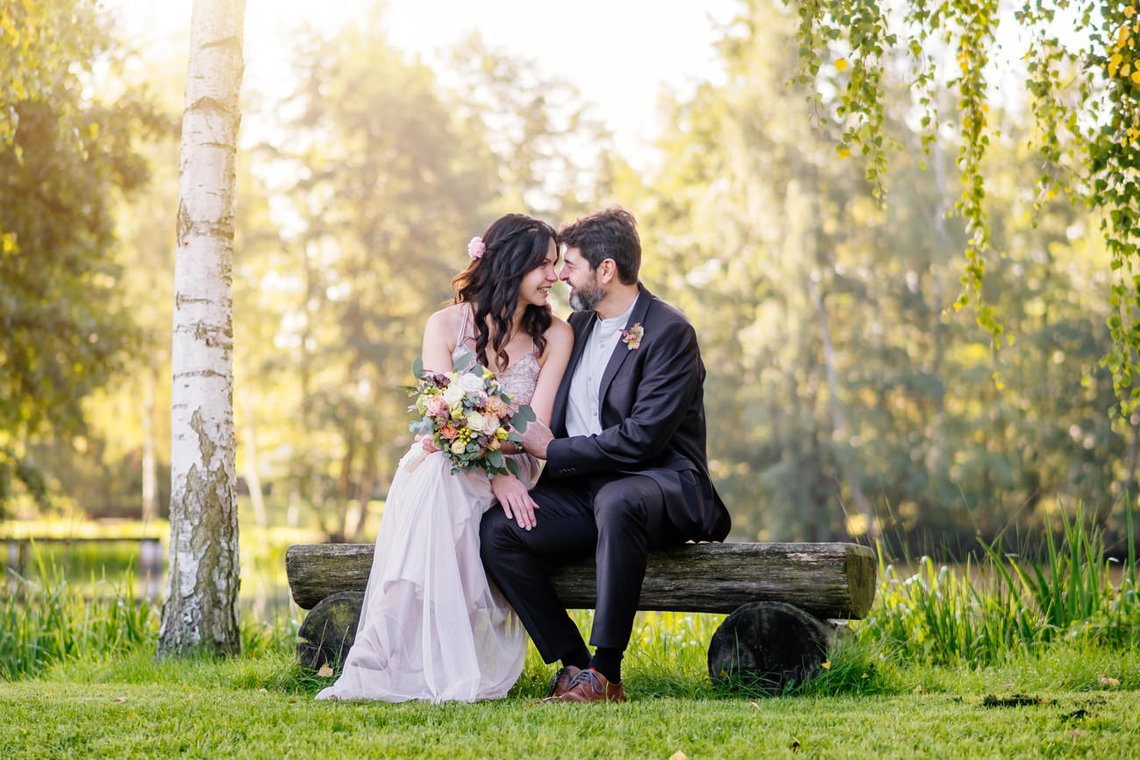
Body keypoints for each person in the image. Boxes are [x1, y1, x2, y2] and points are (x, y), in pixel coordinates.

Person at [317, 213, 573, 703]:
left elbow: (534, 430)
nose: (554, 276)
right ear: (510, 264)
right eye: (543, 265)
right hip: (450, 457)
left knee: (441, 475)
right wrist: (492, 474)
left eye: (557, 265)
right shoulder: (444, 325)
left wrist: (500, 468)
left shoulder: (555, 336)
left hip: (515, 464)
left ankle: (416, 651)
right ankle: (395, 657)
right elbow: (440, 416)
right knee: (437, 472)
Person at [480, 206, 731, 703]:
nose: (560, 276)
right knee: (499, 531)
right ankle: (574, 665)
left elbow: (643, 439)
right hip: (585, 492)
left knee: (619, 499)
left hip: (660, 485)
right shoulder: (575, 326)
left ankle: (607, 673)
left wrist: (554, 450)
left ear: (606, 269)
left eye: (569, 265)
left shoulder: (669, 332)